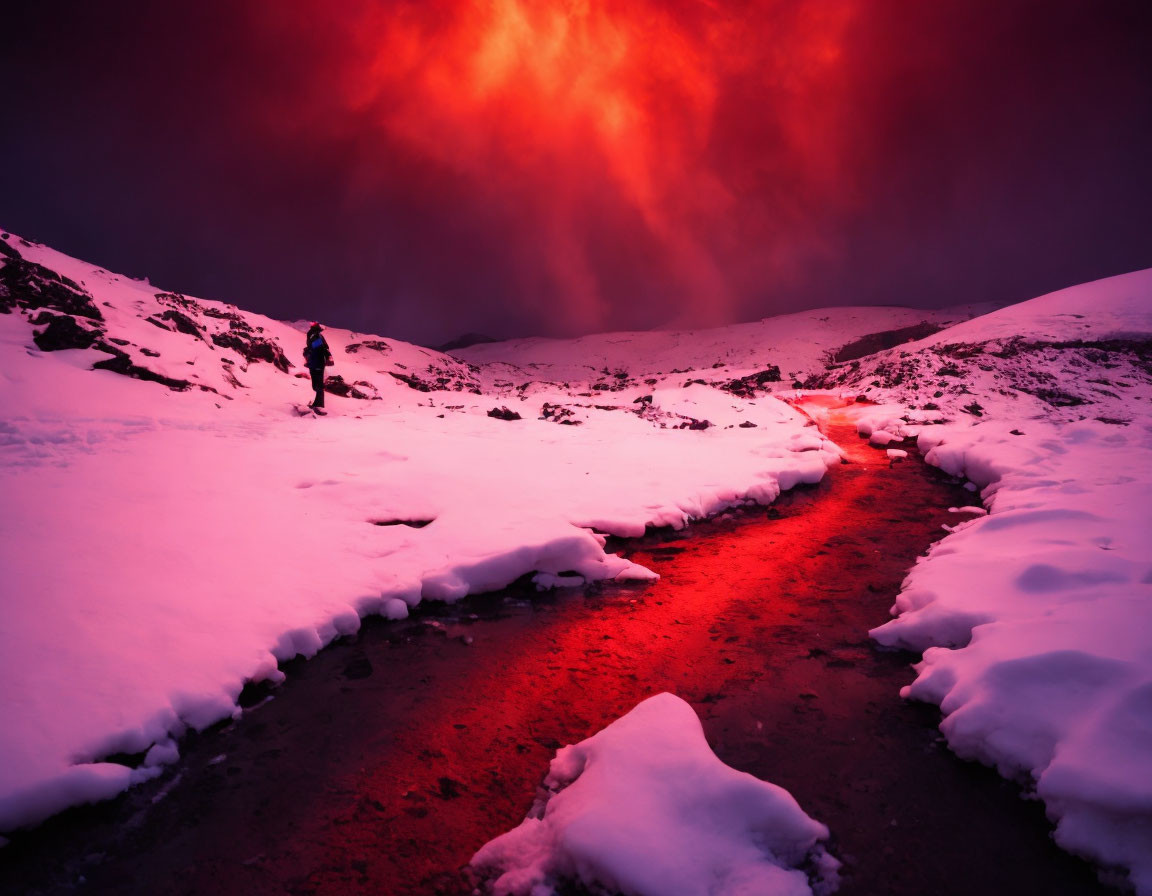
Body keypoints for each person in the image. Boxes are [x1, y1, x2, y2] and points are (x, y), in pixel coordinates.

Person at [303, 322, 332, 409]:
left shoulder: (316, 335)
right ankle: (318, 403)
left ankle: (319, 404)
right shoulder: (315, 335)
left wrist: (308, 350)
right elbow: (324, 348)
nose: (311, 324)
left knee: (317, 384)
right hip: (315, 362)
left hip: (317, 362)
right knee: (316, 384)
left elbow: (320, 347)